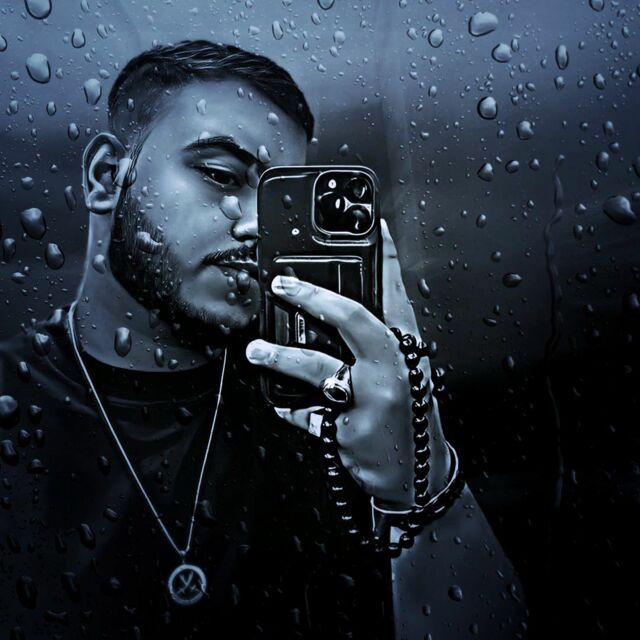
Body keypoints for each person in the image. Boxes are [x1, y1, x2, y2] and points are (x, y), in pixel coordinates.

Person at [0, 40, 527, 639]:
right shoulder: (12, 397)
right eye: (222, 175)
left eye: (280, 199)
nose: (257, 226)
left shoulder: (329, 407)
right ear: (106, 177)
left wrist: (421, 481)